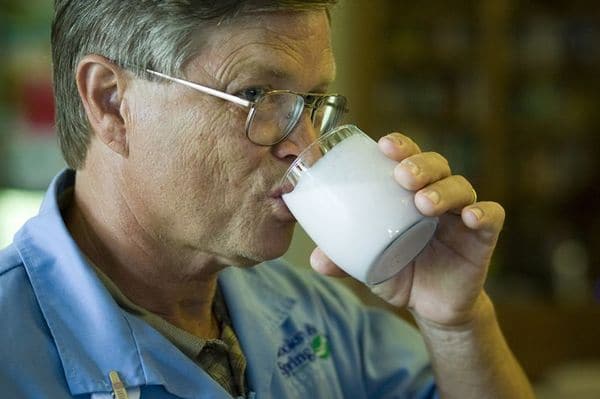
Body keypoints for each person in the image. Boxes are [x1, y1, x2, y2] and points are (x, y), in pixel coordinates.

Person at [0, 1, 535, 398]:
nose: (304, 146)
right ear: (111, 102)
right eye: (258, 96)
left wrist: (456, 324)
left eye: (311, 103)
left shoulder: (310, 316)